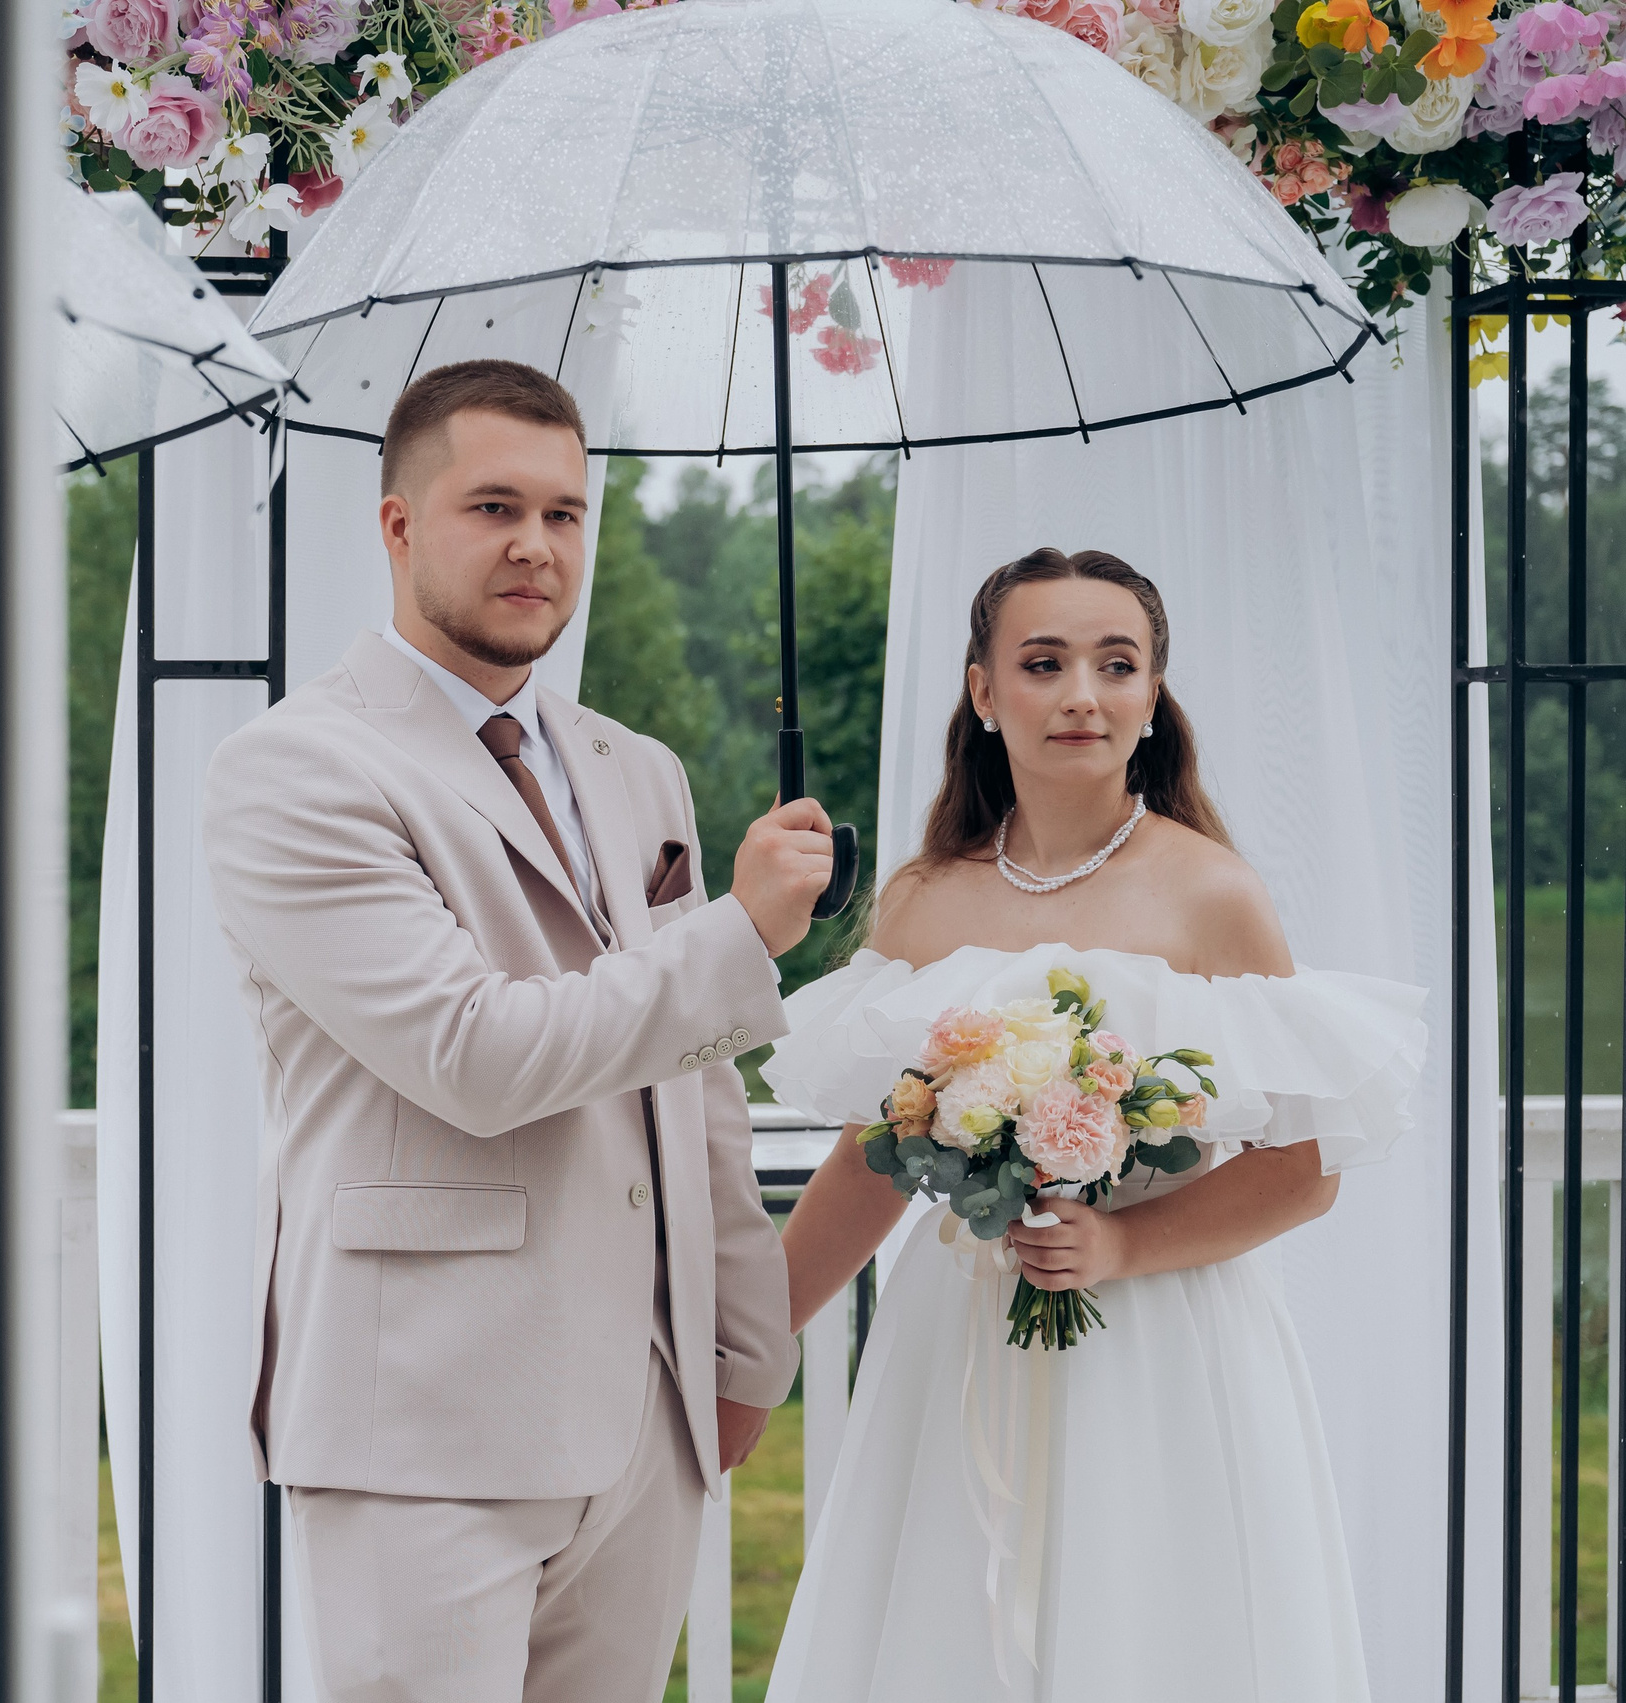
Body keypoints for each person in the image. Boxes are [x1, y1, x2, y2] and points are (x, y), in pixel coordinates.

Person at [201, 359, 833, 1703]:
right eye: (494, 506)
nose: (538, 547)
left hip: (641, 1411)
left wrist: (739, 1346)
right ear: (397, 524)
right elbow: (475, 1055)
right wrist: (738, 932)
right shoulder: (298, 767)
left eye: (565, 512)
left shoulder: (632, 763)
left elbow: (695, 1082)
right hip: (417, 1419)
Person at [764, 548, 1426, 1702]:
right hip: (963, 1327)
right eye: (1043, 661)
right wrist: (750, 1337)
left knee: (1152, 1628)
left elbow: (1302, 1168)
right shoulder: (923, 897)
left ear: (1151, 694)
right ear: (982, 694)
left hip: (1159, 1333)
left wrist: (1119, 1243)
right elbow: (882, 1146)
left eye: (1116, 663)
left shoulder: (1209, 892)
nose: (1082, 691)